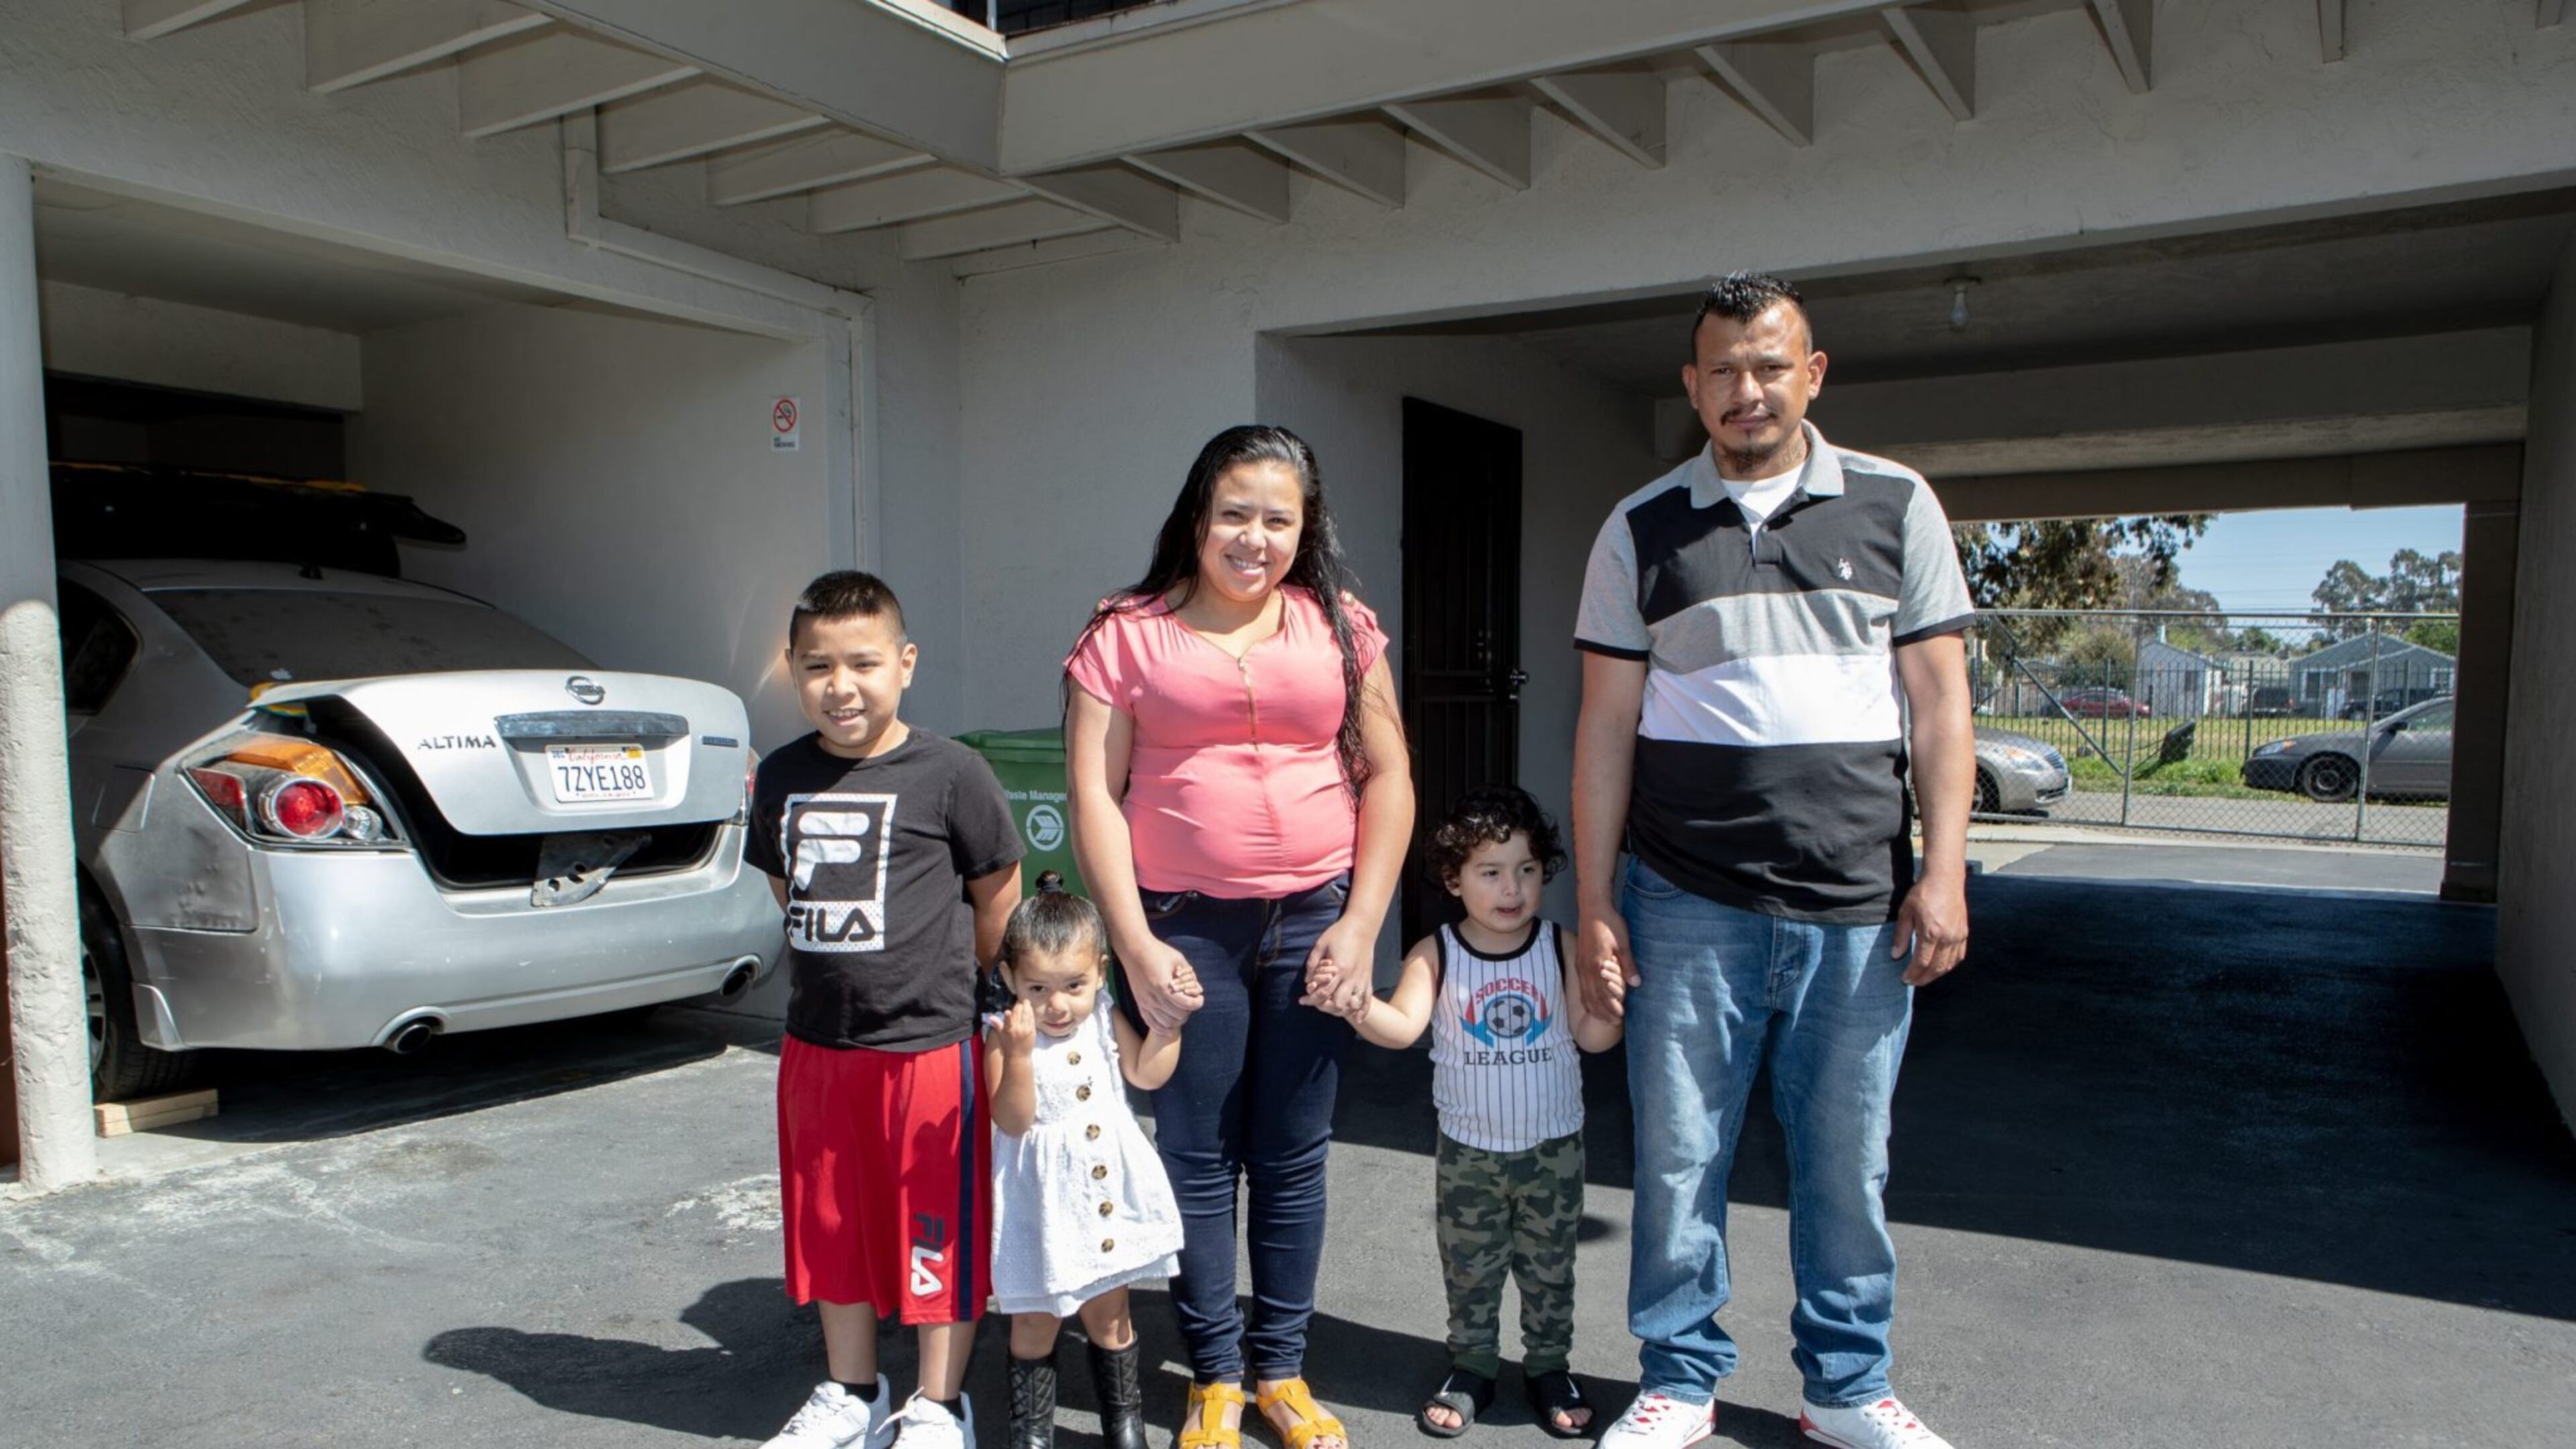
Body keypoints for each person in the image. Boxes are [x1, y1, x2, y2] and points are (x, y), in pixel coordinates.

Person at [1572, 274, 1974, 1449]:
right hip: (1684, 896)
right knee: (1680, 1154)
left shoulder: (1897, 506)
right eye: (1722, 373)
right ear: (1692, 387)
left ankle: (1847, 1389)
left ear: (1813, 373)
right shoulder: (1642, 526)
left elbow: (1941, 703)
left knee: (1848, 1164)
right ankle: (1679, 1377)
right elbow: (1605, 723)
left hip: (1858, 906)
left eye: (1769, 366)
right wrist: (1594, 899)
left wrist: (1942, 871)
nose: (1746, 392)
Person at [1064, 425, 1415, 1449]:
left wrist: (1361, 927)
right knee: (1198, 1157)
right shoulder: (1123, 634)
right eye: (1233, 513)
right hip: (1184, 929)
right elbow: (1095, 792)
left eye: (1278, 518)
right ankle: (1215, 1373)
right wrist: (1132, 945)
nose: (1252, 537)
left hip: (1317, 919)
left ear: (1305, 530)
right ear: (1196, 516)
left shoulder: (1343, 627)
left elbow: (1388, 777)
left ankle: (1283, 1372)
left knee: (1294, 1155)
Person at [749, 570, 1026, 1449]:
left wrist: (976, 995)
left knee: (932, 1230)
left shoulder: (952, 773)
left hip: (930, 1052)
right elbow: (782, 882)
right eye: (818, 666)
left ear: (905, 664)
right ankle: (852, 1392)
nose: (842, 686)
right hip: (818, 1047)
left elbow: (999, 895)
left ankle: (941, 1406)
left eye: (863, 663)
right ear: (793, 671)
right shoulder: (783, 775)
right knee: (832, 1226)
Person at [1328, 786, 1621, 1441]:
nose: (1511, 888)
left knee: (1551, 1270)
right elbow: (1402, 1028)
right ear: (1455, 880)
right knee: (1471, 1269)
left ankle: (1549, 1368)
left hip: (1553, 1152)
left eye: (1525, 870)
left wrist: (1608, 1003)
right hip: (1469, 1155)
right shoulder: (1436, 954)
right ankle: (1473, 1366)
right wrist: (1354, 1004)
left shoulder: (1558, 946)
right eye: (1491, 872)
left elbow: (1592, 1038)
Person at [983, 873, 1189, 1449]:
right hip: (1041, 1207)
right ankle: (1031, 1433)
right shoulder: (1002, 1036)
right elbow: (1014, 1121)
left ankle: (1124, 1424)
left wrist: (1168, 1025)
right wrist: (1020, 1056)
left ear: (1100, 972)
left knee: (1110, 1315)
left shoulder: (1101, 1014)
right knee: (1035, 1321)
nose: (1056, 1004)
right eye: (1037, 988)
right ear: (1009, 980)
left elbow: (1146, 1073)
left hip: (1103, 1197)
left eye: (1073, 984)